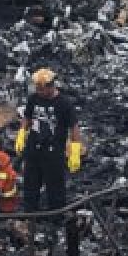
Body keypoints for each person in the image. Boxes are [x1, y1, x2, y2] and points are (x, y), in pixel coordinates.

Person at [17, 68, 82, 212]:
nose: (38, 91)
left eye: (41, 89)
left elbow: (74, 127)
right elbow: (27, 117)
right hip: (34, 150)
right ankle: (30, 216)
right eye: (37, 88)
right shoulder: (33, 99)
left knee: (55, 188)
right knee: (30, 185)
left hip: (53, 153)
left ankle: (56, 218)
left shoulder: (64, 103)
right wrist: (22, 133)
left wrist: (75, 150)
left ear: (51, 86)